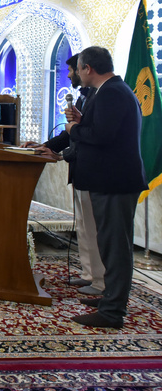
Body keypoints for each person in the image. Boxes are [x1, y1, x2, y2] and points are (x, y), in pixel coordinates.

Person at [64, 46, 147, 329]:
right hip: (110, 180)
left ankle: (112, 312)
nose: (78, 73)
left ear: (88, 69)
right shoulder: (110, 91)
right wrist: (82, 120)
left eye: (80, 68)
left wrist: (74, 130)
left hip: (115, 182)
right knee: (109, 245)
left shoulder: (112, 92)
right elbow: (103, 129)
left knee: (116, 248)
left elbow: (101, 136)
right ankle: (110, 298)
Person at [24, 54, 104, 296]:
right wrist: (43, 145)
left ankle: (101, 281)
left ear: (85, 69)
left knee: (94, 227)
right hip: (81, 171)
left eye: (72, 70)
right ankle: (89, 274)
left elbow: (90, 136)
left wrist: (63, 155)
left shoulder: (102, 96)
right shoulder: (84, 97)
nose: (69, 75)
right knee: (83, 226)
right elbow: (70, 134)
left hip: (96, 173)